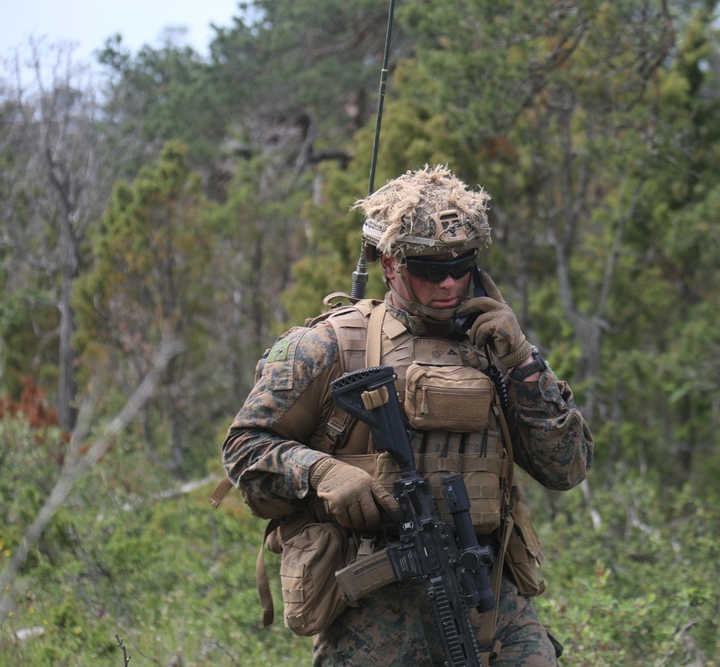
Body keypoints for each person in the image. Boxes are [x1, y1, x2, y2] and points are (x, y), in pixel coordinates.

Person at [221, 164, 593, 666]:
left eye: (462, 266)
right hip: (373, 603)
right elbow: (245, 449)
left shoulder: (495, 347)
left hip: (484, 587)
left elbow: (565, 469)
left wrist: (523, 361)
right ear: (390, 264)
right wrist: (322, 472)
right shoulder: (328, 345)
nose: (450, 284)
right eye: (429, 270)